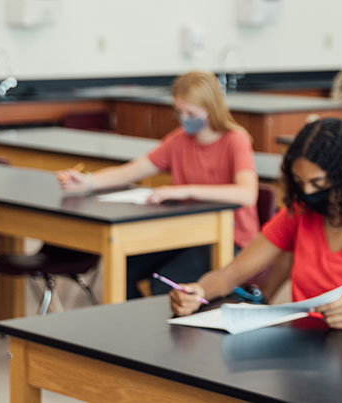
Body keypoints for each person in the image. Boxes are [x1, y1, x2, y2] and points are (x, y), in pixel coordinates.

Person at [170, 118, 342, 335]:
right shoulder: (301, 213)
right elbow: (231, 274)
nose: (307, 192)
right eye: (299, 182)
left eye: (317, 183)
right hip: (304, 350)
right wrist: (198, 291)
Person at [57, 71, 259, 298]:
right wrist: (88, 181)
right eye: (180, 112)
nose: (184, 118)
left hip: (231, 238)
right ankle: (136, 327)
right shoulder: (179, 140)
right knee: (125, 267)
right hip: (189, 232)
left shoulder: (235, 139)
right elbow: (132, 170)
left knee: (166, 285)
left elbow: (247, 194)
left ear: (211, 109)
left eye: (190, 113)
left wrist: (185, 191)